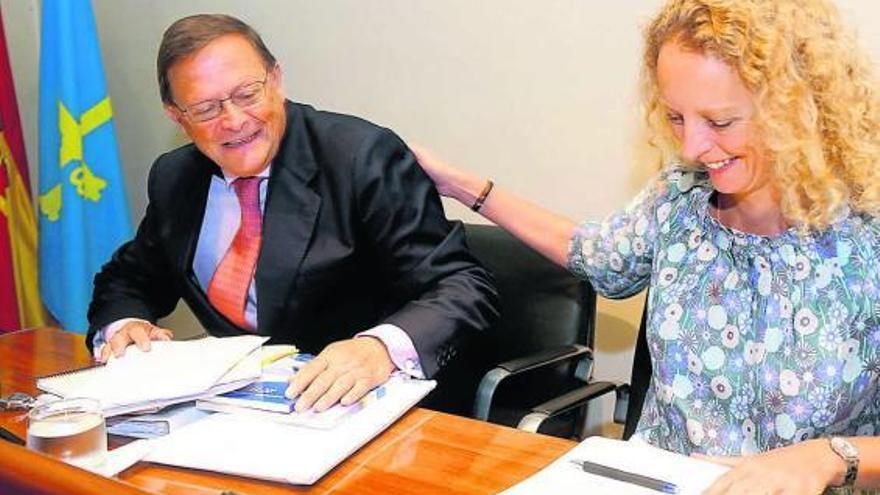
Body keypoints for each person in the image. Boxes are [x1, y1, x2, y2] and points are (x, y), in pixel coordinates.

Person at [412, 0, 880, 492]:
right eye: (677, 117)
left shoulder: (867, 237)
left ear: (799, 108)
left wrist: (828, 456)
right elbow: (590, 251)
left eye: (719, 122)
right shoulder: (678, 199)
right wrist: (462, 186)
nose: (691, 147)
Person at [86, 14, 498, 414]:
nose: (234, 121)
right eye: (207, 109)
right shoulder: (176, 176)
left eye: (247, 94)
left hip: (373, 408)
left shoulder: (360, 157)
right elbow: (130, 278)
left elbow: (461, 284)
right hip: (240, 413)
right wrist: (124, 325)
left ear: (277, 80)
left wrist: (380, 347)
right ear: (178, 117)